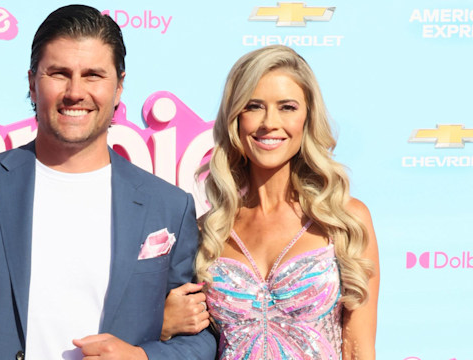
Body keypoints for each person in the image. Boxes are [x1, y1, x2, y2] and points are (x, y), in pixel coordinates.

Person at [0, 5, 216, 360]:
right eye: (59, 73)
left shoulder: (169, 206)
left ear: (118, 88)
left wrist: (141, 357)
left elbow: (200, 339)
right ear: (32, 83)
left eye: (93, 75)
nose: (75, 91)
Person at [161, 45, 380, 359]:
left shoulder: (344, 220)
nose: (269, 122)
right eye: (254, 106)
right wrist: (163, 325)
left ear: (307, 118)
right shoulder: (208, 232)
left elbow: (359, 350)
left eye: (287, 107)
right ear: (235, 118)